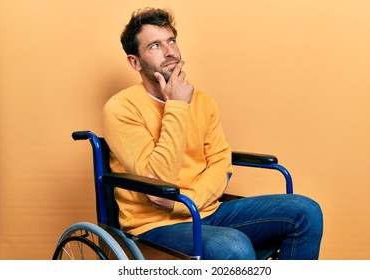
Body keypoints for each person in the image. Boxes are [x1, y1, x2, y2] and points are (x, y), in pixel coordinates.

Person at [102, 7, 323, 260]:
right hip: (154, 224)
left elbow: (221, 162)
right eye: (154, 46)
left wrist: (189, 201)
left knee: (307, 211)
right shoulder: (121, 108)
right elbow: (158, 181)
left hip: (206, 209)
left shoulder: (203, 102)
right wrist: (177, 105)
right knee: (233, 246)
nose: (168, 51)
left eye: (171, 41)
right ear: (135, 62)